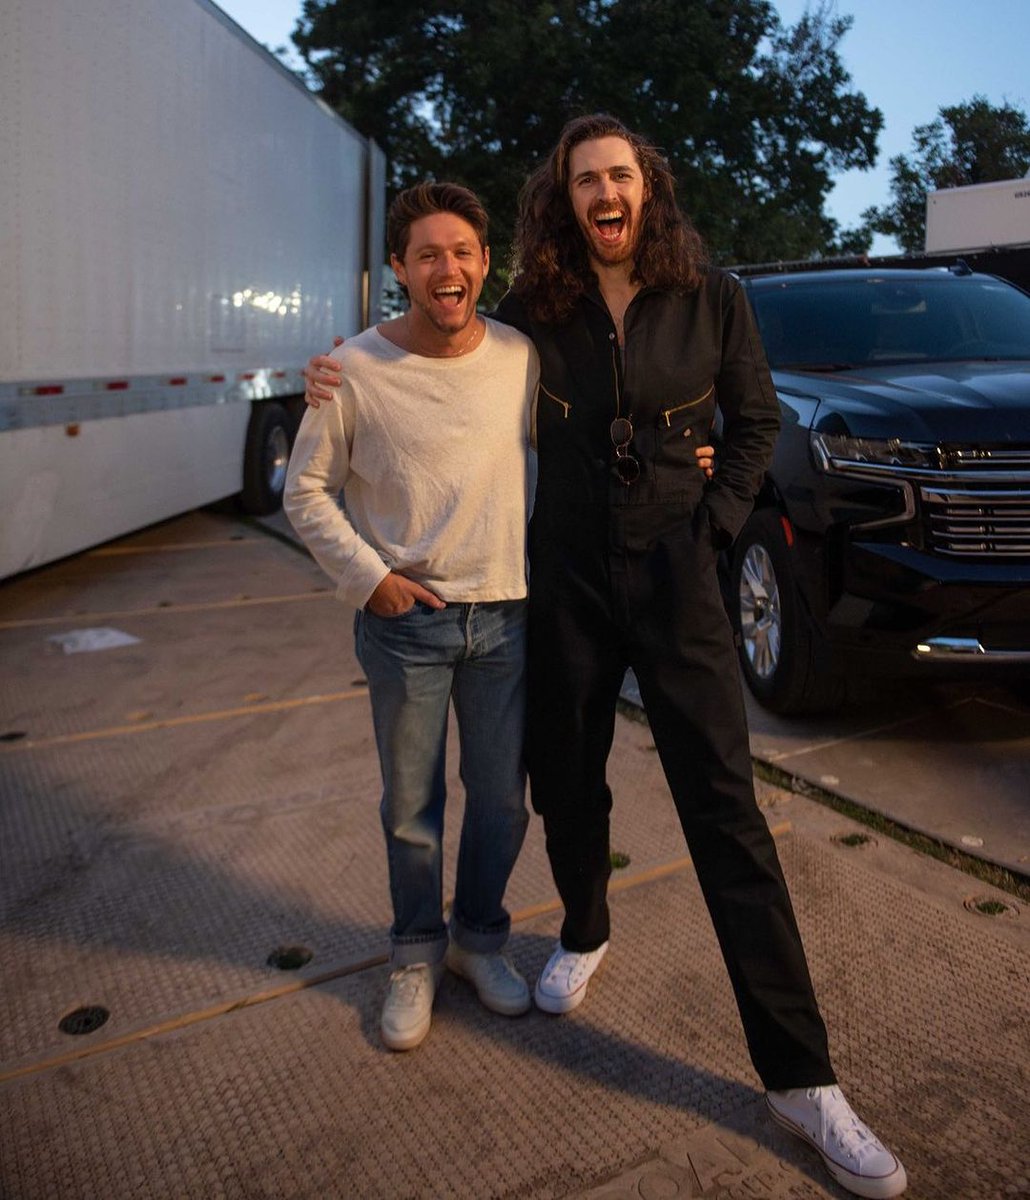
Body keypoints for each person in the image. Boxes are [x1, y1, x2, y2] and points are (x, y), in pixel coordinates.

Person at [302, 117, 905, 1199]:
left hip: (678, 587)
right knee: (564, 784)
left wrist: (715, 523)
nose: (603, 191)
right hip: (564, 584)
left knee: (726, 812)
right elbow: (444, 359)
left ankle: (801, 1079)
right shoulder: (537, 311)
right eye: (584, 180)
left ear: (646, 189)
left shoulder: (712, 295)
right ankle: (583, 926)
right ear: (563, 201)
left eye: (619, 174)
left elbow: (756, 423)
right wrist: (337, 372)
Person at [284, 182, 541, 1052]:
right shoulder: (351, 368)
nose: (448, 268)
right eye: (428, 253)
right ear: (400, 267)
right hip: (407, 625)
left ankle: (478, 941)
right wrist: (372, 581)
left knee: (503, 800)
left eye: (463, 251)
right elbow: (306, 491)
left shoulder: (519, 357)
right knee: (411, 807)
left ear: (484, 262)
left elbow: (582, 445)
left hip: (506, 619)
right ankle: (413, 953)